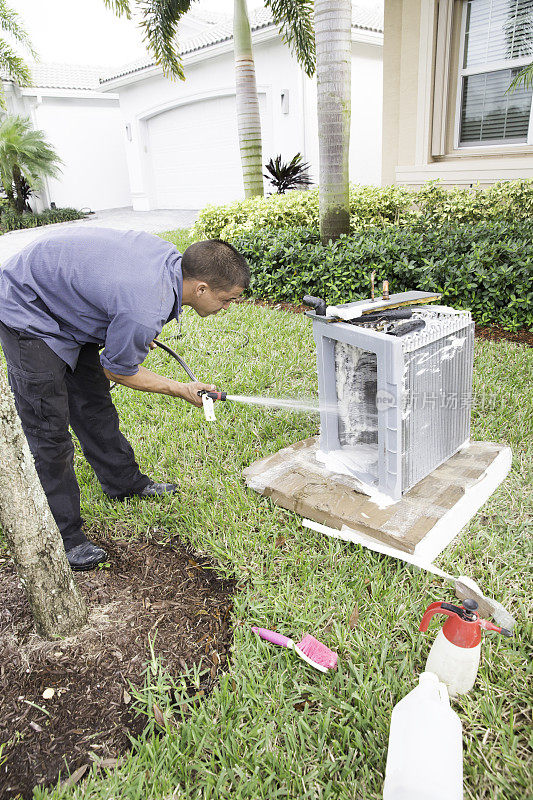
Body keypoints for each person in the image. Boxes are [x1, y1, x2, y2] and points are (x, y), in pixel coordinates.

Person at [0, 228, 250, 570]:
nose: (226, 307)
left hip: (66, 302)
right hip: (28, 307)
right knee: (49, 430)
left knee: (94, 407)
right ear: (201, 288)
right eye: (226, 299)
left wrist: (129, 331)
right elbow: (118, 370)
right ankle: (65, 537)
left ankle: (125, 484)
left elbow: (119, 302)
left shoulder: (169, 266)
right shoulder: (143, 306)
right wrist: (181, 388)